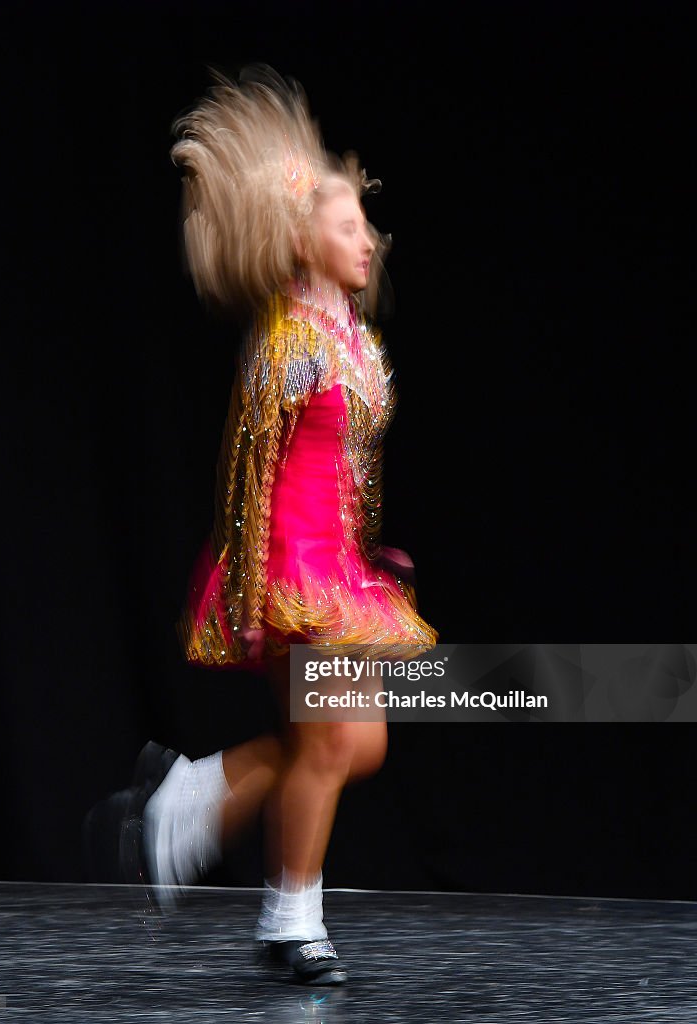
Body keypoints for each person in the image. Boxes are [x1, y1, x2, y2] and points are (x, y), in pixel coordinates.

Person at [133, 65, 439, 986]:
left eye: (368, 228)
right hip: (288, 566)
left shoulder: (356, 342)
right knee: (329, 744)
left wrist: (369, 551)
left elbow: (352, 466)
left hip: (334, 563)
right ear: (300, 239)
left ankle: (194, 798)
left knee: (361, 746)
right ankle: (290, 921)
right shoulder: (287, 340)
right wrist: (251, 575)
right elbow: (249, 465)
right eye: (348, 227)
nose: (368, 242)